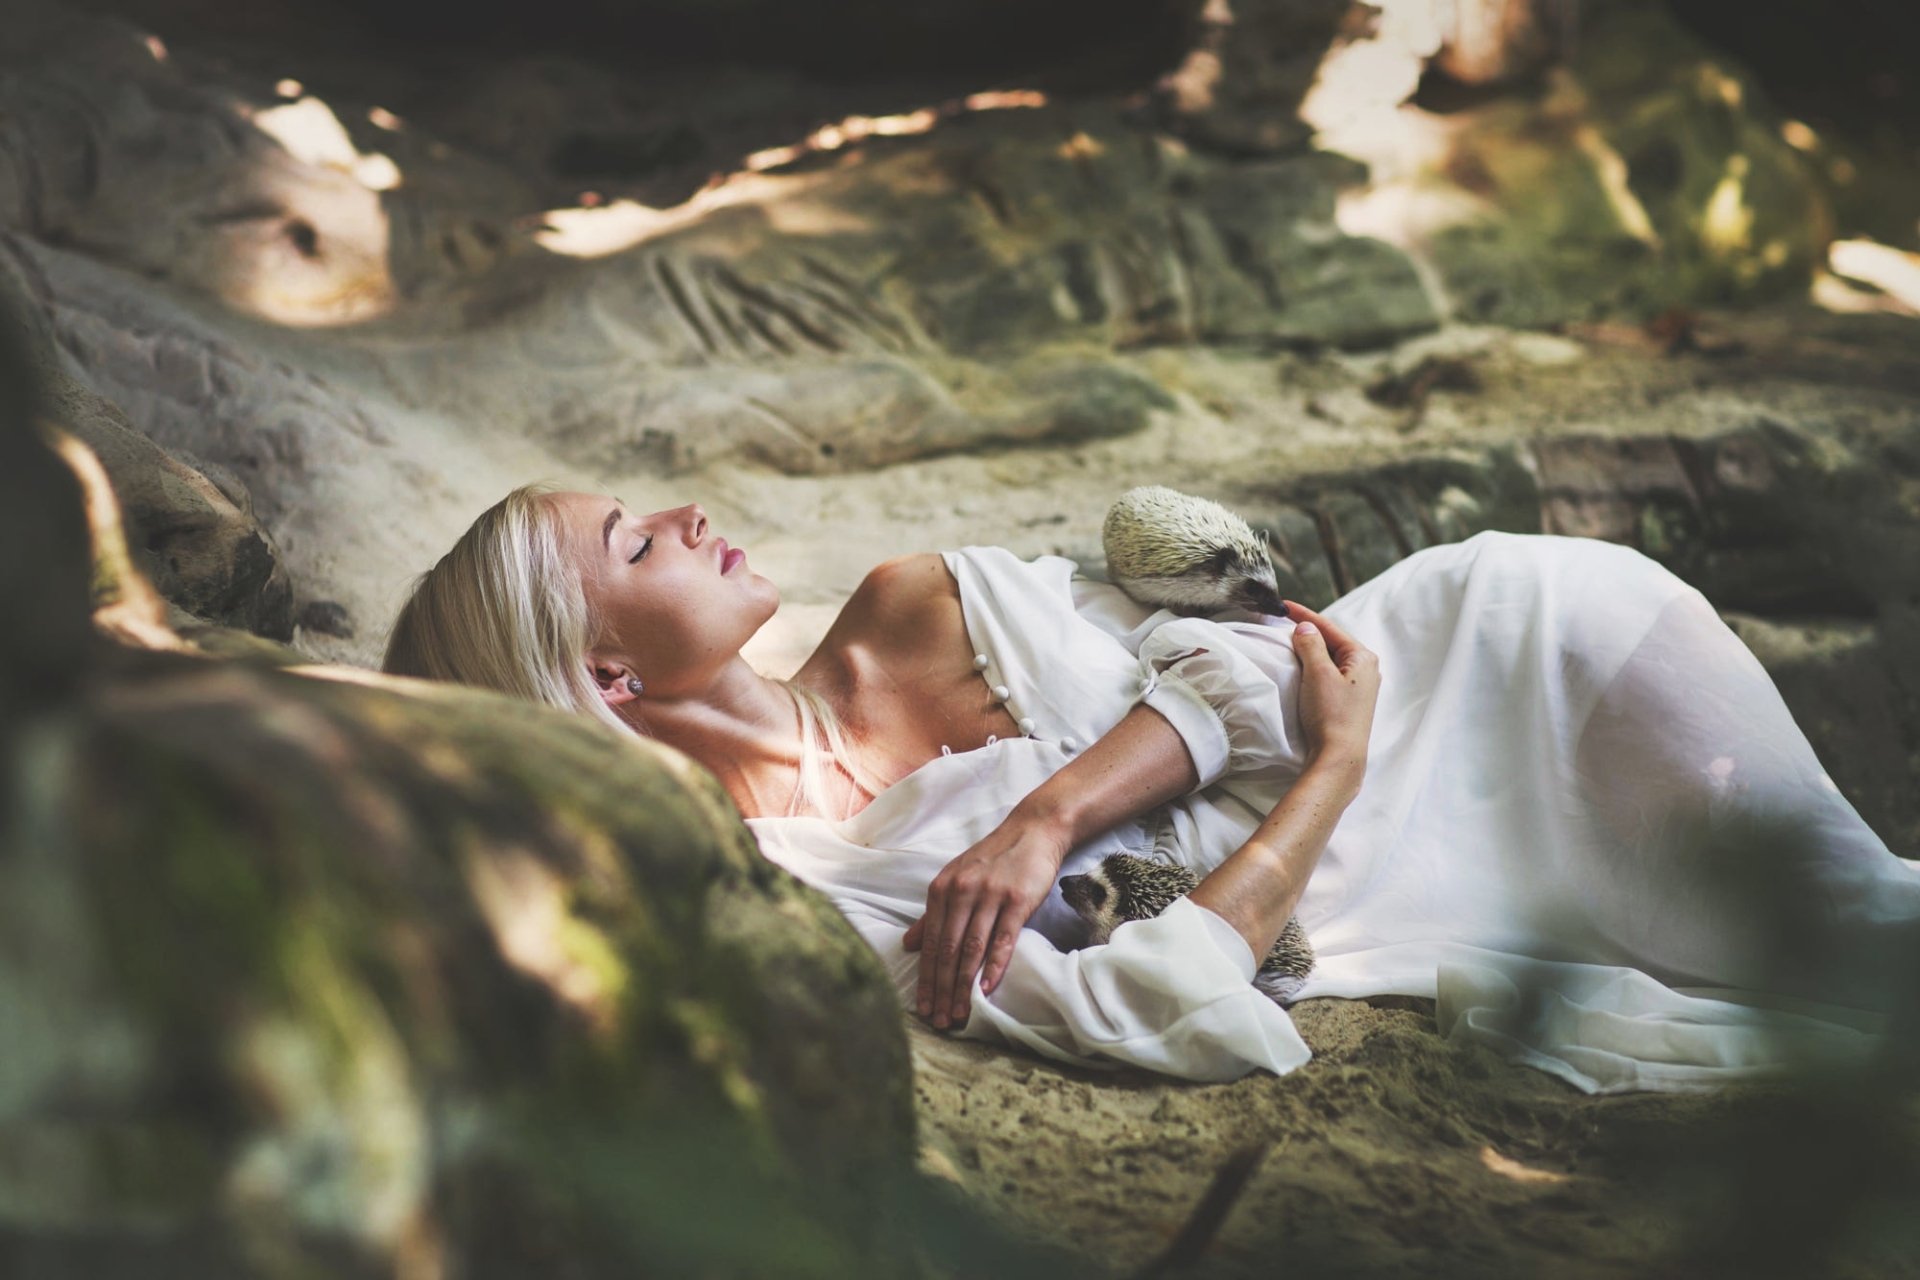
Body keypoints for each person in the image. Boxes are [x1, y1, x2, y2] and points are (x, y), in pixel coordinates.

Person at [384, 484, 1920, 1091]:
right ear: (605, 685)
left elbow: (1255, 665)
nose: (682, 511)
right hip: (1385, 847)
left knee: (1860, 928)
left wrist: (1044, 814)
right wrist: (1332, 774)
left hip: (1508, 653)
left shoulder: (916, 602)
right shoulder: (800, 879)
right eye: (634, 547)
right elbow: (1159, 1007)